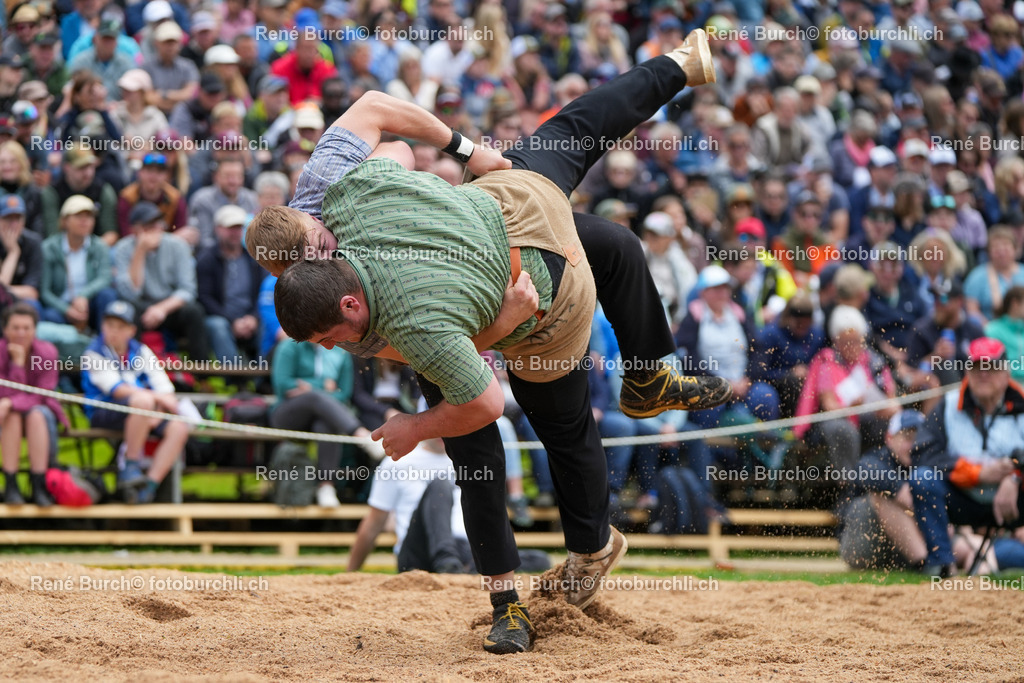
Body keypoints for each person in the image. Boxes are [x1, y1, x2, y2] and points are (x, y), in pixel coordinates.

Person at [250, 30, 725, 654]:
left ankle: (681, 65)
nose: (320, 264)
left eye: (319, 252)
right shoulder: (340, 300)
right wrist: (493, 329)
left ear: (312, 216)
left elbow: (384, 129)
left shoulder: (328, 188)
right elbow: (391, 150)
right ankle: (511, 599)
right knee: (484, 446)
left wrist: (466, 150)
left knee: (600, 210)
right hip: (480, 270)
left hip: (494, 223)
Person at [349, 436, 550, 573]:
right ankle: (449, 566)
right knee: (440, 485)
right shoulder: (397, 462)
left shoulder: (472, 461)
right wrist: (350, 573)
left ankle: (463, 569)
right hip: (418, 552)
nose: (440, 431)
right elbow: (373, 523)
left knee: (539, 559)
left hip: (465, 548)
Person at [912, 338, 1024, 575]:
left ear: (1005, 374)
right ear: (966, 372)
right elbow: (924, 454)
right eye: (975, 368)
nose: (983, 375)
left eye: (990, 368)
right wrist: (978, 474)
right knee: (922, 479)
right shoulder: (948, 405)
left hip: (1014, 502)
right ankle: (942, 566)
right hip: (963, 498)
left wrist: (1014, 475)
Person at [81, 300, 193, 504]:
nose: (113, 331)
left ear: (131, 330)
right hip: (104, 412)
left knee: (178, 428)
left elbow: (166, 390)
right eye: (109, 325)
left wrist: (156, 408)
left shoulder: (141, 351)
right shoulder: (94, 352)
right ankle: (130, 468)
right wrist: (153, 403)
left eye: (120, 327)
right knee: (142, 401)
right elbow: (116, 390)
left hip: (145, 412)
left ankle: (149, 487)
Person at [269, 338, 387, 506]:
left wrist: (306, 387)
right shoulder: (289, 346)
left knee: (325, 421)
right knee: (315, 397)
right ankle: (362, 436)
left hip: (324, 415)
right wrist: (321, 387)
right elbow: (283, 385)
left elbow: (344, 393)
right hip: (287, 414)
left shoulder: (340, 351)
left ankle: (326, 486)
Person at [111, 201, 211, 363]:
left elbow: (188, 290)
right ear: (133, 230)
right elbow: (130, 293)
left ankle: (202, 376)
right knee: (128, 309)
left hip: (170, 307)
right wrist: (140, 251)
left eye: (157, 224)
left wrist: (161, 309)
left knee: (195, 311)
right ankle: (131, 368)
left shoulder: (178, 245)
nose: (154, 230)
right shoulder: (123, 248)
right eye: (147, 226)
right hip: (141, 306)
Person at [838, 410, 929, 571]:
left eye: (919, 439)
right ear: (889, 438)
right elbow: (864, 469)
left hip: (916, 545)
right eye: (907, 438)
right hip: (867, 552)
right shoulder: (876, 459)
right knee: (880, 495)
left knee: (971, 546)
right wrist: (901, 491)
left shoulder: (929, 465)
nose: (914, 445)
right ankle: (924, 563)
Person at [0, 303, 66, 506]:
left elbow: (42, 394)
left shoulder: (47, 353)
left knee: (36, 414)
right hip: (7, 417)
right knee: (12, 416)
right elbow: (4, 391)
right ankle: (11, 484)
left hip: (40, 414)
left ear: (35, 330)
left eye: (26, 328)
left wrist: (11, 402)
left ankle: (39, 483)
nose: (21, 333)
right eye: (15, 327)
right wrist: (18, 364)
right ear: (5, 330)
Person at [39, 195, 117, 333]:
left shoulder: (100, 246)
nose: (84, 221)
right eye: (78, 216)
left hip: (89, 303)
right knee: (50, 315)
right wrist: (67, 309)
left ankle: (104, 344)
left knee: (107, 295)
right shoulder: (49, 247)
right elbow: (45, 291)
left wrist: (83, 296)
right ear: (65, 220)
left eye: (89, 216)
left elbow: (105, 277)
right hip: (61, 305)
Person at [196, 205, 263, 366]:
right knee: (218, 326)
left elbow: (261, 294)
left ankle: (263, 377)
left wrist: (253, 317)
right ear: (218, 229)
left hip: (248, 316)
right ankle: (236, 377)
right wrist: (232, 320)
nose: (235, 233)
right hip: (220, 316)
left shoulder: (253, 259)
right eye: (230, 228)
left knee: (268, 323)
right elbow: (204, 297)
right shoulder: (207, 259)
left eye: (239, 228)